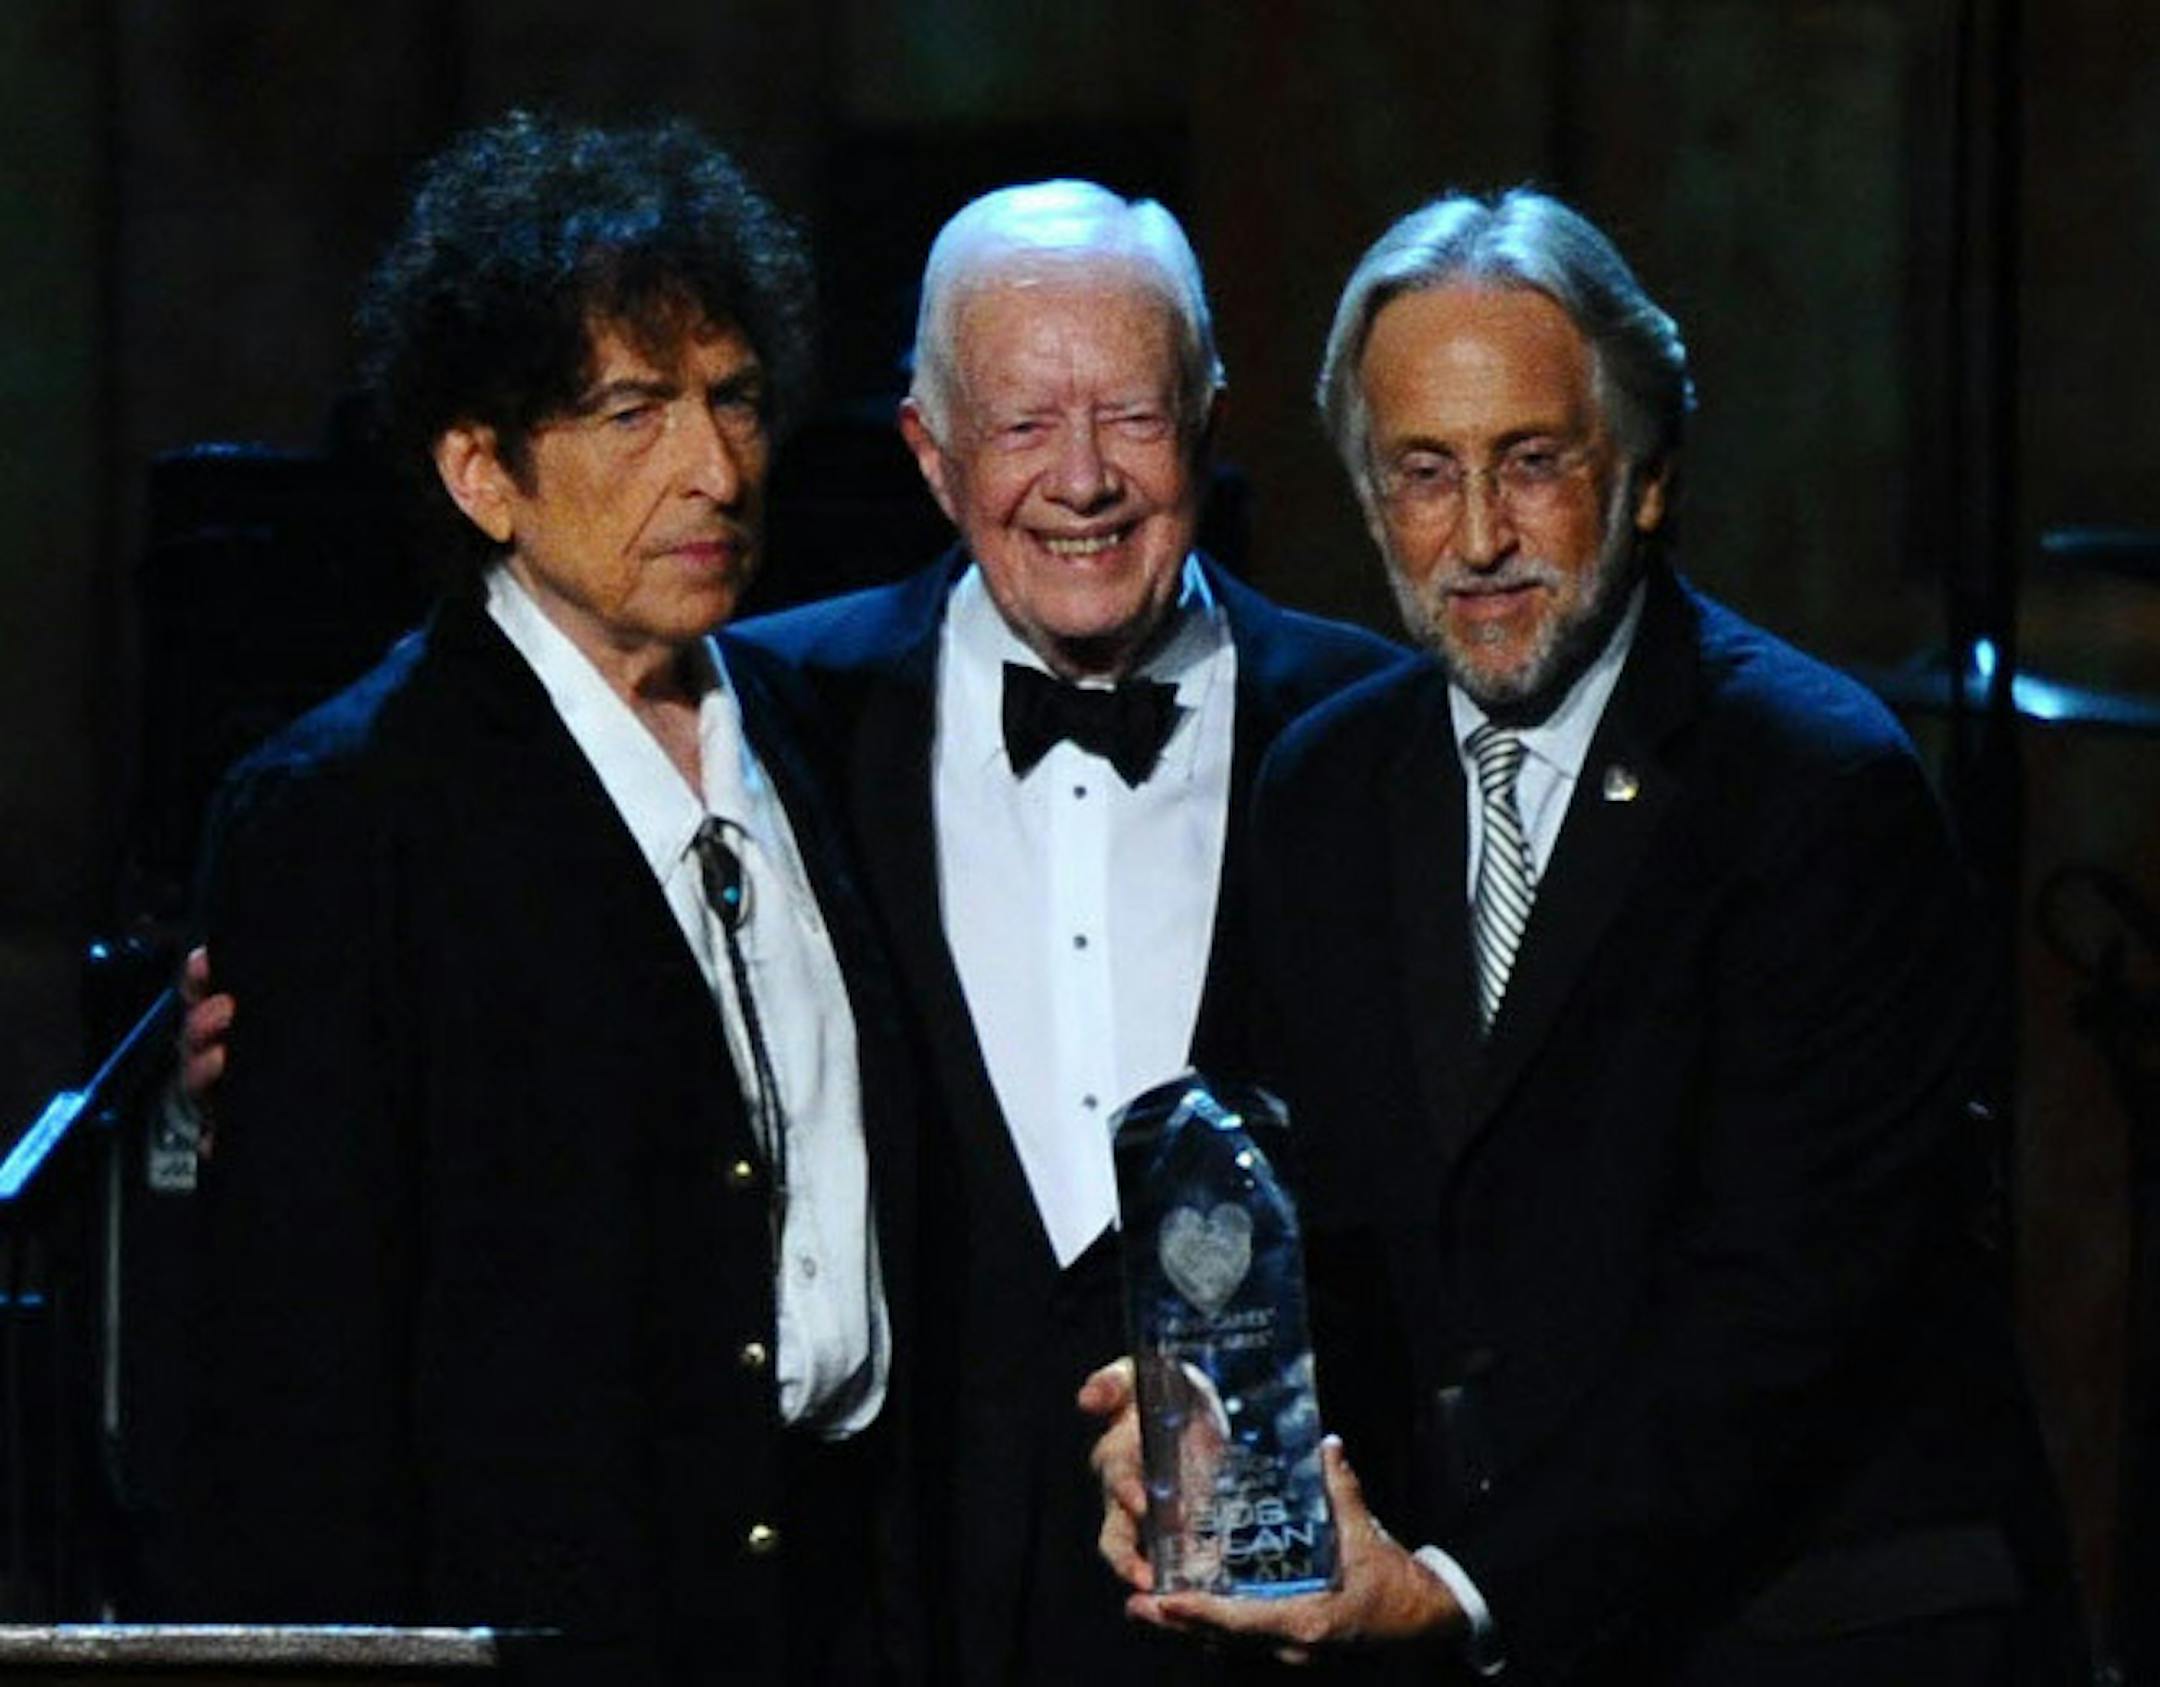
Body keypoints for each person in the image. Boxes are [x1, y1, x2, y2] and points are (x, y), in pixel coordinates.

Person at [1088, 189, 2083, 1683]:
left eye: (1533, 463)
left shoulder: (1818, 785)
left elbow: (1785, 1311)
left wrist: (1466, 1590)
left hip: (1802, 1632)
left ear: (1647, 477)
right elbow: (1271, 1200)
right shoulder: (1325, 787)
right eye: (1425, 473)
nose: (1479, 536)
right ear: (1369, 496)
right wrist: (1200, 1430)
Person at [174, 112, 919, 1686]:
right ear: (481, 473)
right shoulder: (352, 811)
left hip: (842, 1614)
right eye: (633, 413)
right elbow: (301, 1382)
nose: (715, 468)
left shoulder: (817, 735)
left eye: (735, 400)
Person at [730, 181, 1407, 1682]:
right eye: (1026, 424)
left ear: (1210, 421)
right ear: (932, 451)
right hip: (888, 1612)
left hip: (1271, 1621)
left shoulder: (1373, 731)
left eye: (1134, 419)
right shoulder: (774, 718)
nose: (1085, 479)